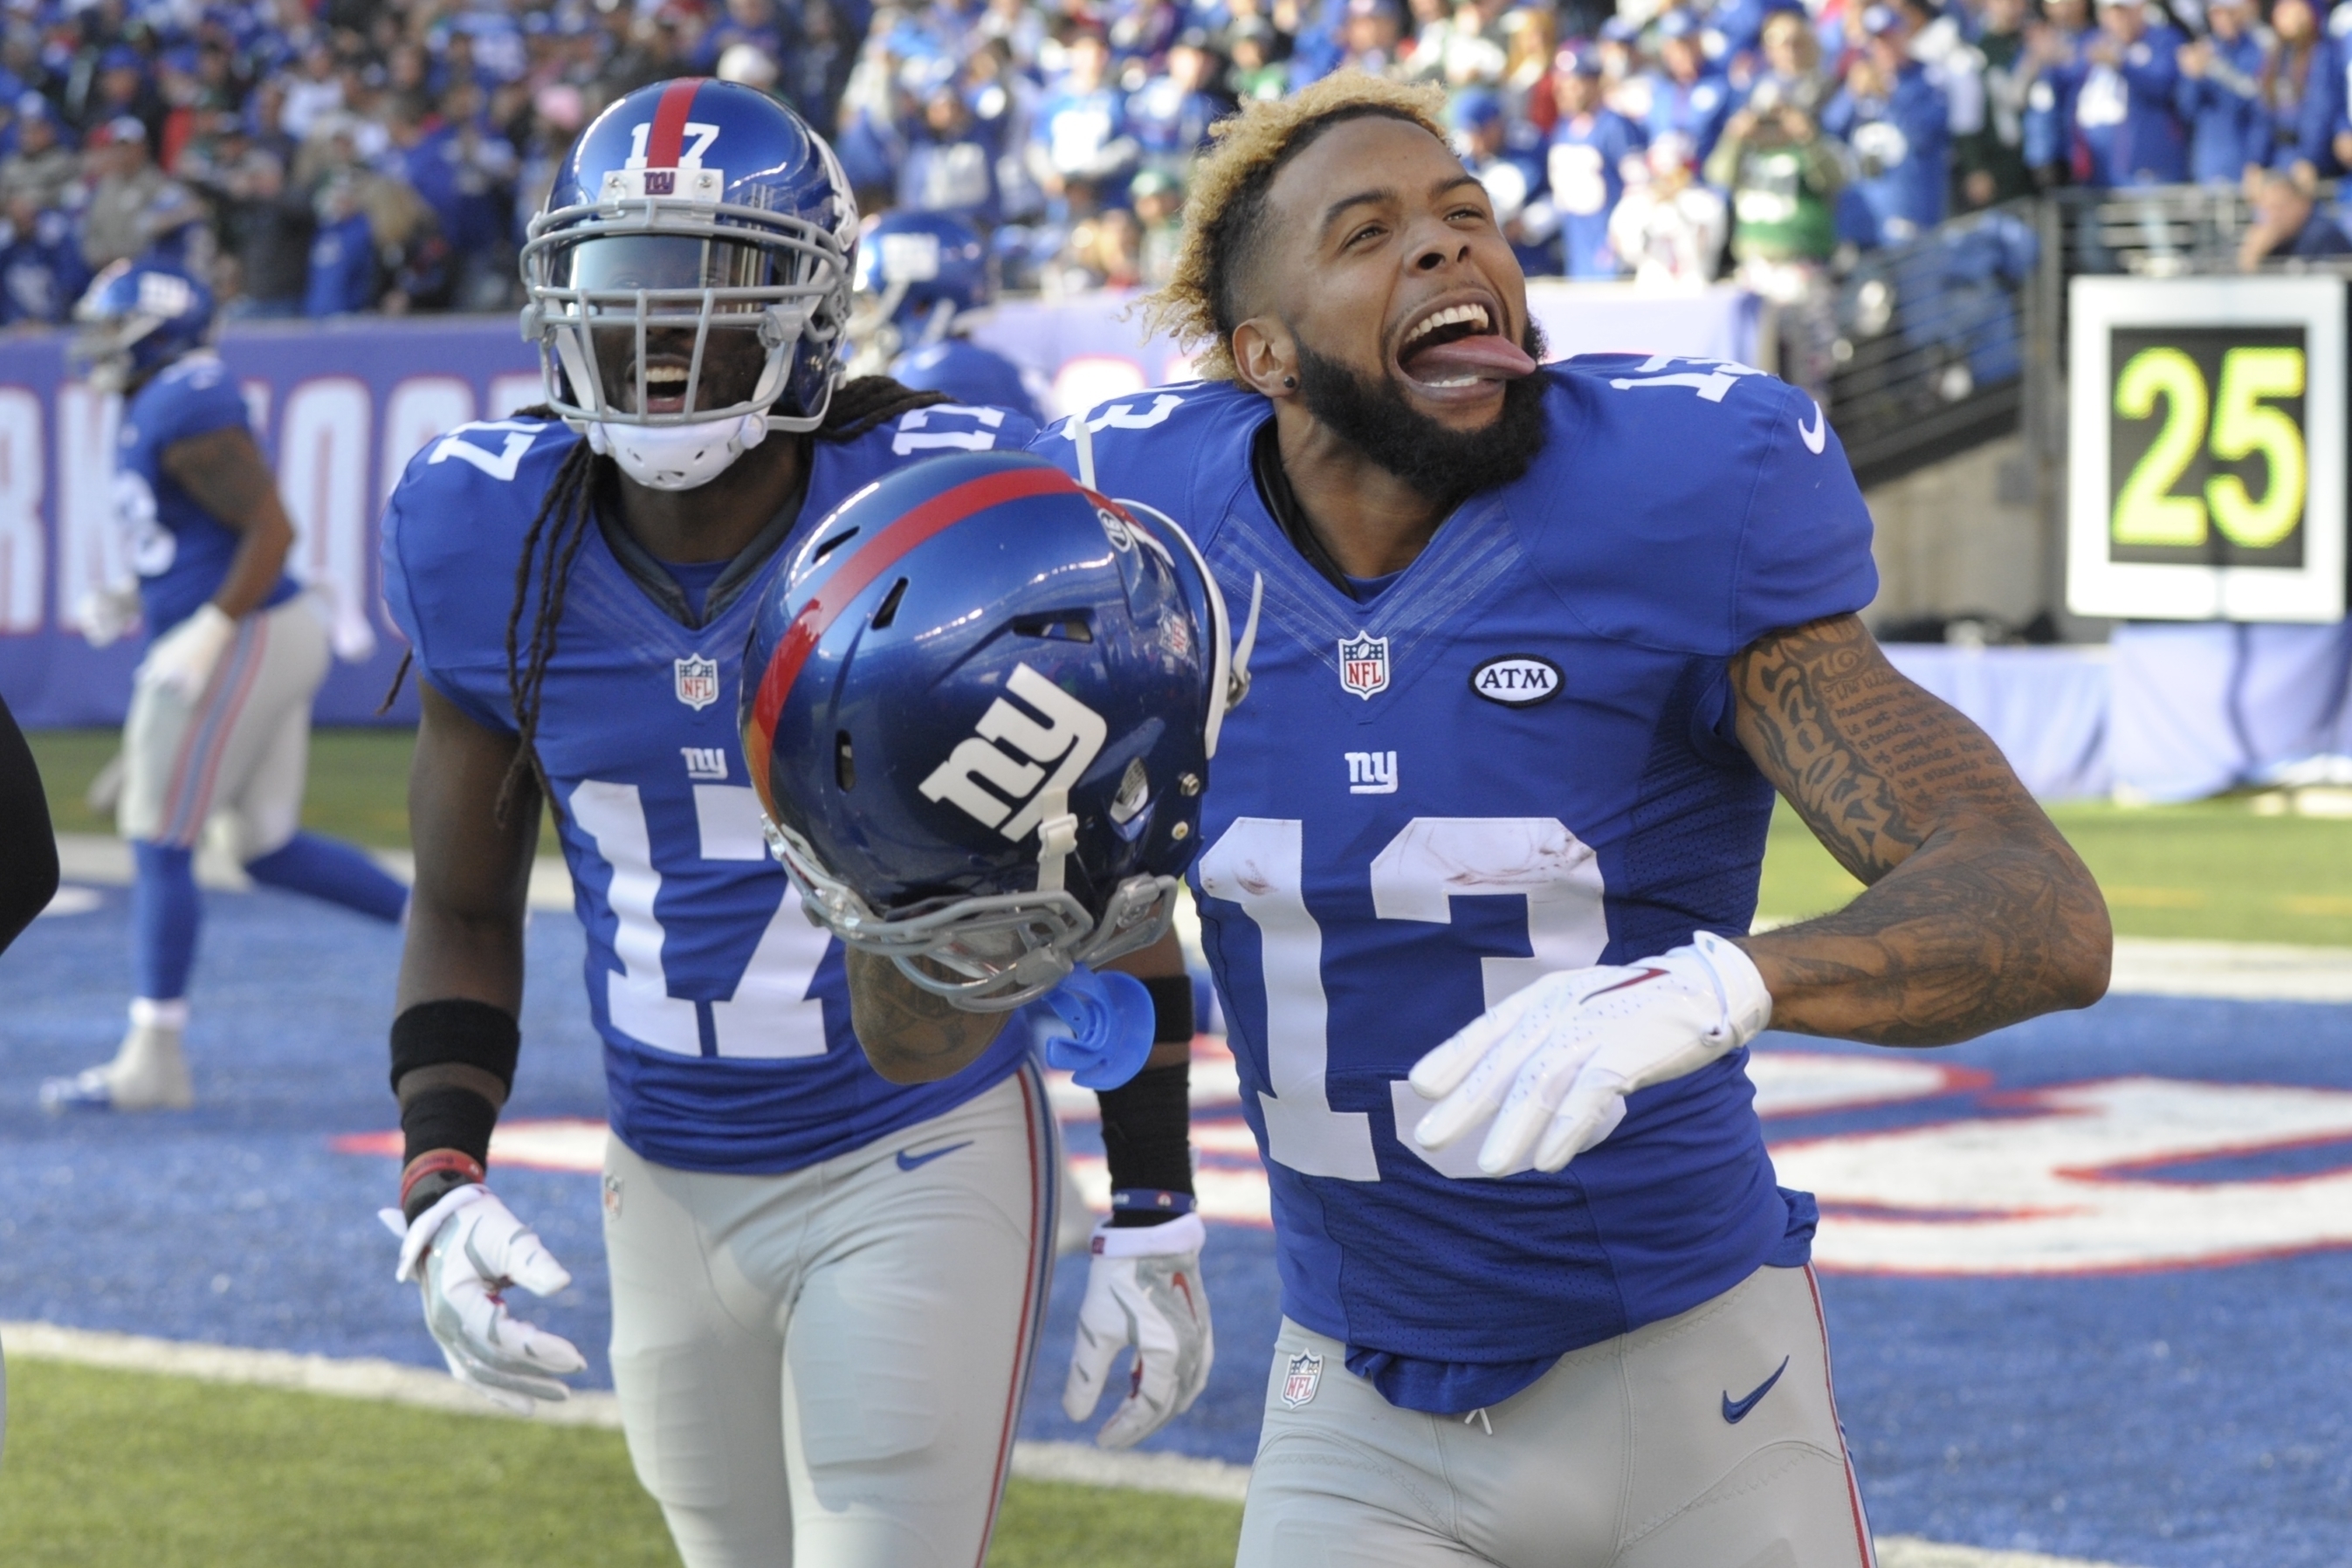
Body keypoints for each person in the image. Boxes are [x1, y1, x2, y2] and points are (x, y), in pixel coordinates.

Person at [840, 72, 2112, 1564]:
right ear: (1265, 355)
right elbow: (905, 1036)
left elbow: (2038, 909)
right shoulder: (1141, 549)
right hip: (1353, 1405)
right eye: (1368, 232)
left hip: (1694, 1377)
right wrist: (927, 891)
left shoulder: (1675, 496)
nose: (1448, 248)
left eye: (1464, 214)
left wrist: (1729, 981)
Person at [375, 79, 1204, 1568]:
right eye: (626, 288)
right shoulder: (487, 528)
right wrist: (439, 1170)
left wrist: (1149, 1188)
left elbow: (1103, 869)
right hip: (661, 1174)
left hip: (912, 1146)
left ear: (811, 308)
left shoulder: (933, 509)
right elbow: (463, 900)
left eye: (713, 288)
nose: (662, 338)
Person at [42, 261, 409, 1114]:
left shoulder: (184, 401)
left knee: (160, 836)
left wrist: (208, 627)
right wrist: (140, 594)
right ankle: (438, 922)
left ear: (157, 331)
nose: (96, 345)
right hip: (249, 627)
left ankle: (153, 1059)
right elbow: (202, 534)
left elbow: (273, 529)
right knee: (262, 841)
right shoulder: (157, 400)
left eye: (112, 326)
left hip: (246, 631)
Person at [852, 209, 1044, 420]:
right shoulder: (978, 366)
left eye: (870, 304)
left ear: (921, 306)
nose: (857, 318)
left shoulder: (948, 371)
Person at [1546, 45, 1644, 279]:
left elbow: (1638, 184)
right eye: (1562, 85)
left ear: (1594, 83)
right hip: (1576, 246)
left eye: (1574, 85)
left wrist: (1626, 229)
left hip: (1609, 246)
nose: (1565, 92)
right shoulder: (1563, 129)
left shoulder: (1614, 126)